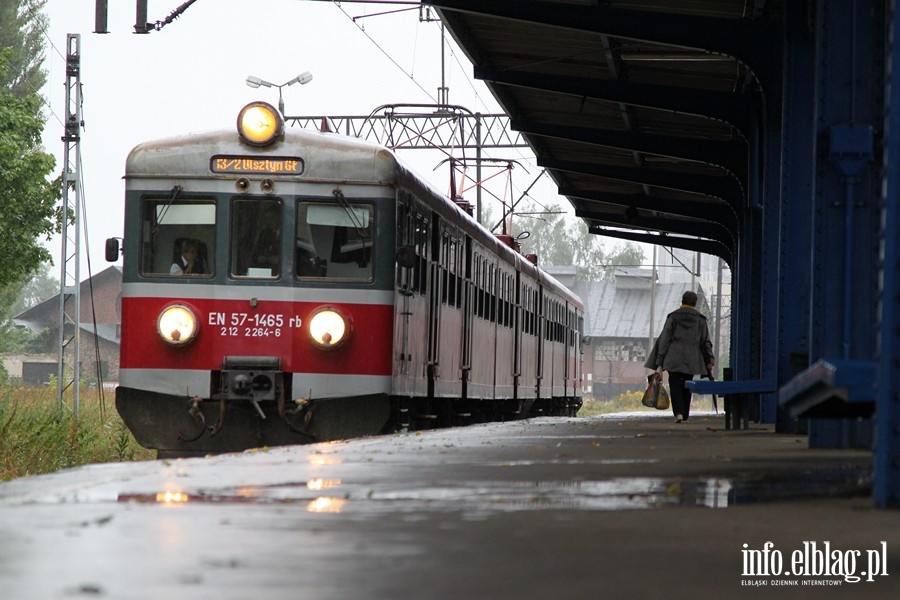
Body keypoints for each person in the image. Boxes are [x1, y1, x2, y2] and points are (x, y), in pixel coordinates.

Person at [644, 290, 714, 423]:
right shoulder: (700, 320)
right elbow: (706, 342)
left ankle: (679, 414)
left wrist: (659, 362)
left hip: (673, 358)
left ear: (682, 301)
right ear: (695, 303)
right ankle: (685, 414)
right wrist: (710, 360)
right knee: (687, 385)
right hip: (692, 359)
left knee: (675, 384)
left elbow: (664, 340)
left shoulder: (673, 317)